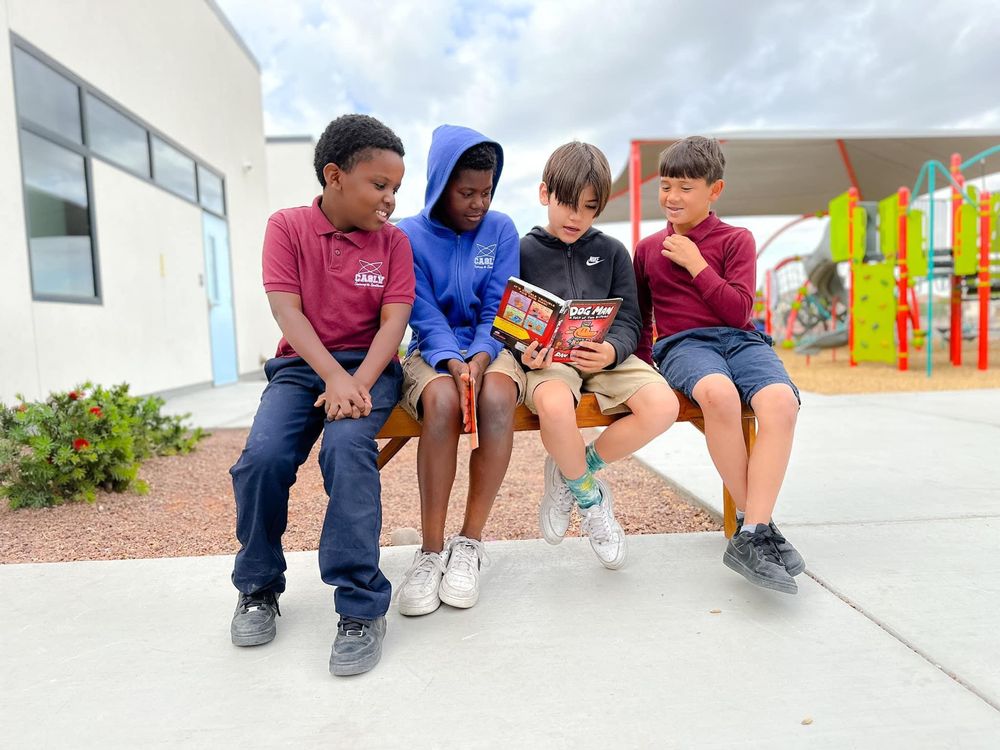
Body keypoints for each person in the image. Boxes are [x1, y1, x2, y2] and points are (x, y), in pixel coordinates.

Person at [228, 114, 415, 676]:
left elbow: (394, 322)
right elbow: (286, 310)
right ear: (334, 176)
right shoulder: (287, 227)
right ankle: (258, 587)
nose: (389, 199)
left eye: (396, 189)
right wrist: (331, 376)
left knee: (346, 451)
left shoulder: (394, 242)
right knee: (261, 459)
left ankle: (361, 608)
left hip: (371, 370)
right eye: (379, 185)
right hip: (302, 368)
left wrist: (354, 380)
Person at [633, 136, 805, 594]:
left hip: (741, 340)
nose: (671, 197)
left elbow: (738, 311)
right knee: (719, 395)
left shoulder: (736, 240)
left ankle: (751, 531)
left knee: (781, 404)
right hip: (684, 346)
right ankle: (758, 530)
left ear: (715, 190)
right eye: (666, 185)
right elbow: (642, 319)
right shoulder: (648, 249)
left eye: (685, 187)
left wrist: (696, 264)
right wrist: (644, 369)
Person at [519, 142, 679, 569]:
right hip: (550, 362)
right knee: (554, 405)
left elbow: (631, 320)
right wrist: (526, 353)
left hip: (605, 357)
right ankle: (590, 500)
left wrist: (610, 351)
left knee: (663, 405)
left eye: (588, 207)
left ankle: (571, 473)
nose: (576, 217)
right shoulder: (522, 250)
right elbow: (511, 319)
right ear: (543, 193)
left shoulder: (611, 251)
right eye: (567, 204)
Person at [393, 125, 526, 617]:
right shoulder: (406, 235)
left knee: (495, 398)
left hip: (492, 347)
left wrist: (481, 355)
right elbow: (421, 311)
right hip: (431, 348)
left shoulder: (502, 229)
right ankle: (430, 552)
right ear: (440, 185)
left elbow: (500, 305)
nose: (478, 204)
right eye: (466, 192)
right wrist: (452, 360)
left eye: (486, 192)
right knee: (443, 400)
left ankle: (468, 544)